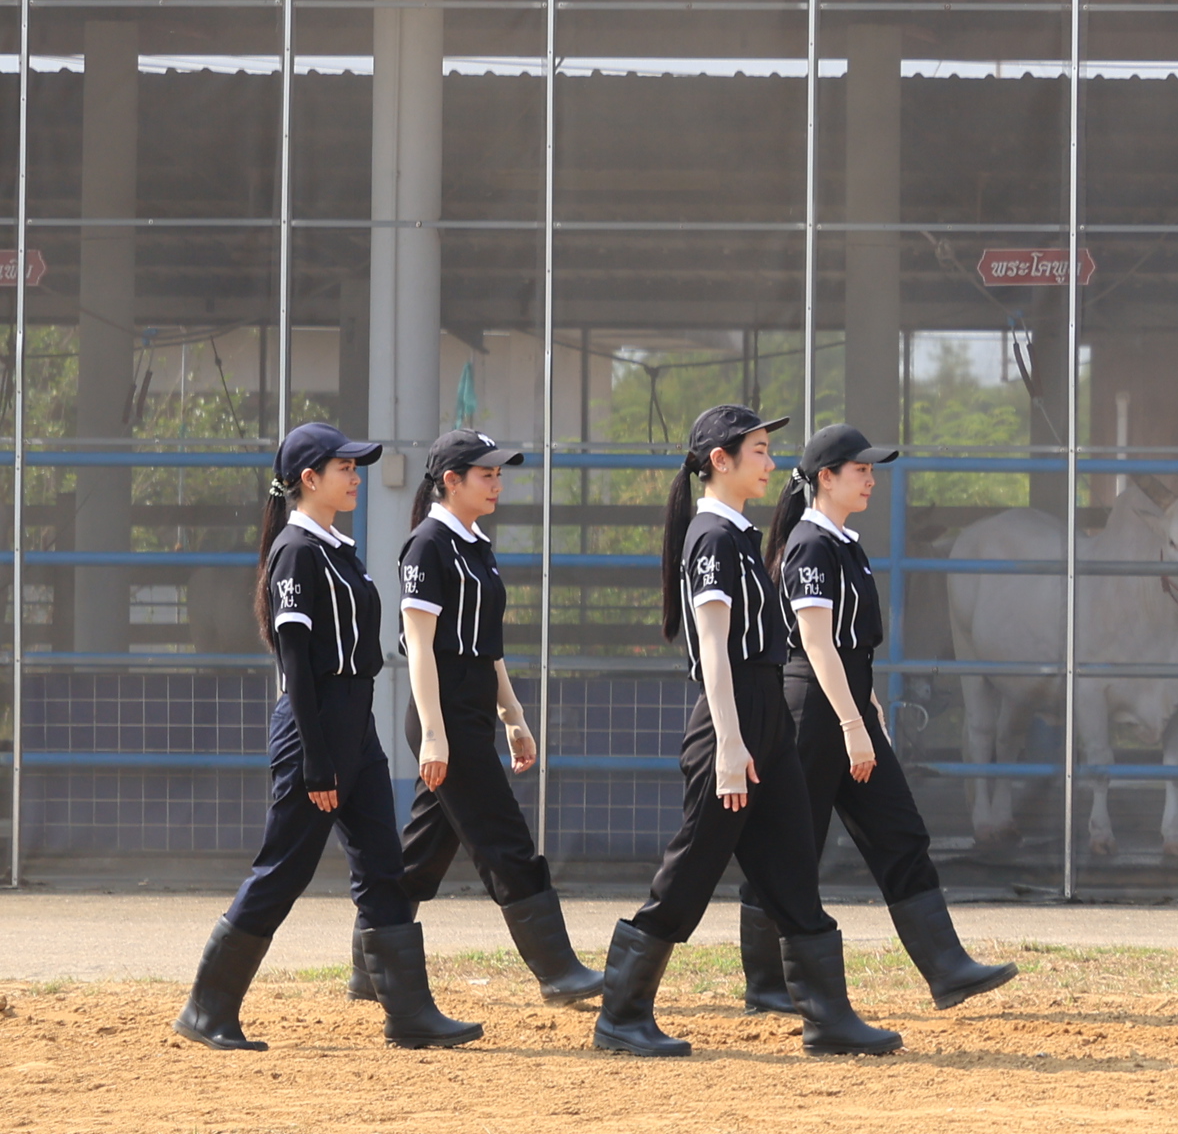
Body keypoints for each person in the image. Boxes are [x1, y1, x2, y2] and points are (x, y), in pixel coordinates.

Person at [589, 404, 901, 1060]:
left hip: (766, 724)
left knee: (793, 871)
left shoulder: (736, 534)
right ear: (719, 461)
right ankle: (621, 1014)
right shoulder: (712, 536)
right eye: (758, 450)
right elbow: (712, 650)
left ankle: (829, 1017)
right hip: (730, 726)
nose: (769, 462)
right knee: (689, 874)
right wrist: (731, 747)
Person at [172, 423, 483, 1051]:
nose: (356, 476)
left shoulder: (338, 546)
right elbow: (295, 663)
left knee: (382, 864)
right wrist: (317, 760)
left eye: (356, 466)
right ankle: (207, 1009)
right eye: (345, 467)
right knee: (284, 869)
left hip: (355, 724)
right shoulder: (295, 550)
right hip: (313, 728)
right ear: (309, 479)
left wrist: (351, 744)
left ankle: (409, 1013)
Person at [735, 425, 1015, 1012]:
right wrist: (852, 724)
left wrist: (868, 705)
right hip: (814, 713)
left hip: (846, 704)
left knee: (899, 831)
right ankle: (766, 984)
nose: (869, 478)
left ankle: (947, 967)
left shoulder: (842, 542)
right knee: (791, 846)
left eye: (870, 469)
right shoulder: (810, 545)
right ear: (825, 478)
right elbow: (815, 643)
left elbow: (851, 646)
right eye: (858, 469)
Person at [359, 429, 603, 1004]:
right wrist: (436, 735)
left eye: (500, 474)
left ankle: (370, 968)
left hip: (472, 709)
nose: (497, 483)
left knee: (421, 854)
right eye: (486, 474)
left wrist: (513, 714)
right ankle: (558, 971)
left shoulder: (475, 545)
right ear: (451, 481)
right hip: (443, 713)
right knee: (505, 839)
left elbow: (487, 646)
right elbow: (418, 646)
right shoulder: (426, 546)